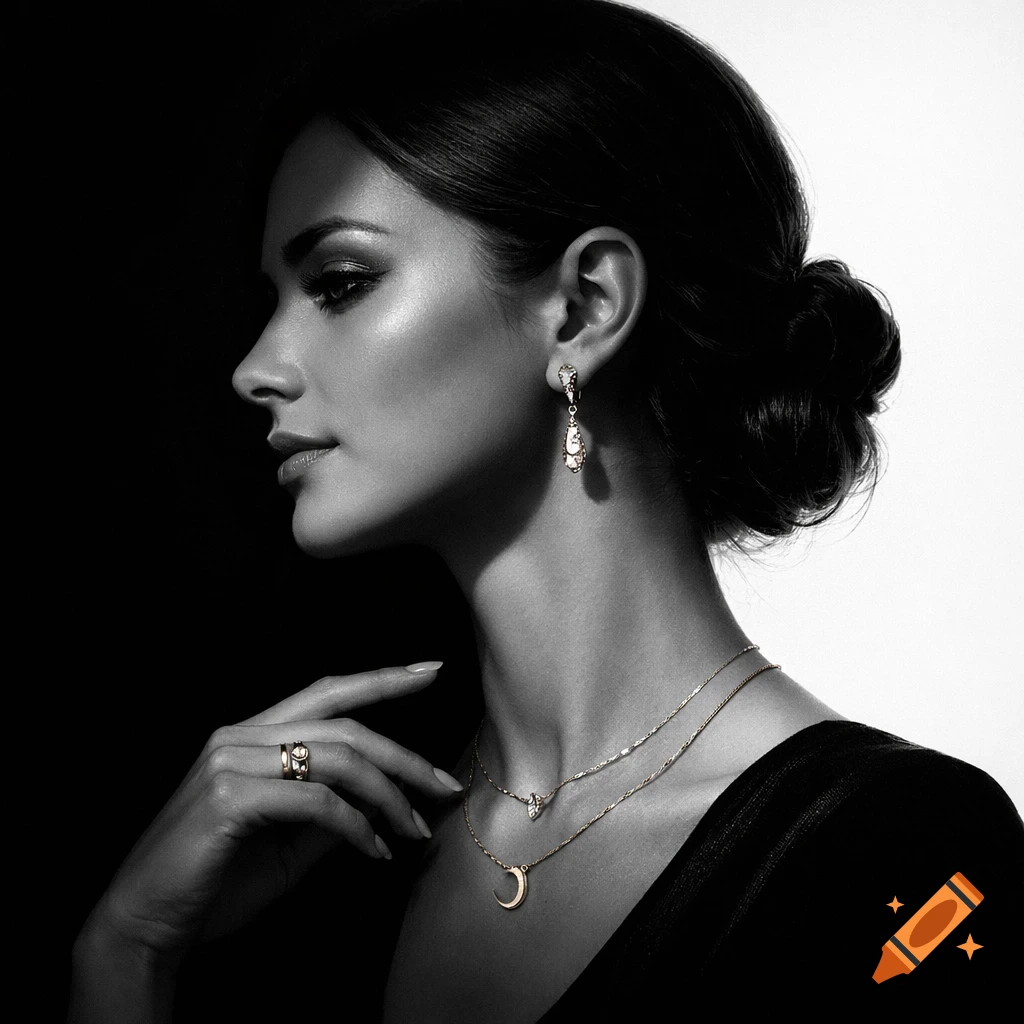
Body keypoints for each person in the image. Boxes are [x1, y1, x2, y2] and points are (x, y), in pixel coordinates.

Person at [70, 0, 1022, 1019]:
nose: (256, 368)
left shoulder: (895, 859)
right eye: (272, 301)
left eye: (340, 282)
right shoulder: (317, 852)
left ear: (582, 308)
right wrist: (126, 952)